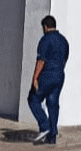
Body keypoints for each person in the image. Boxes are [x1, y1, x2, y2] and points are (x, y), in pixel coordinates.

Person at [27, 14, 68, 144]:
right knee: (53, 103)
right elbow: (65, 58)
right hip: (60, 75)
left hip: (47, 75)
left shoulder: (45, 39)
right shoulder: (63, 40)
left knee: (33, 99)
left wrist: (35, 78)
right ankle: (52, 136)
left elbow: (41, 61)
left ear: (45, 27)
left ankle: (45, 126)